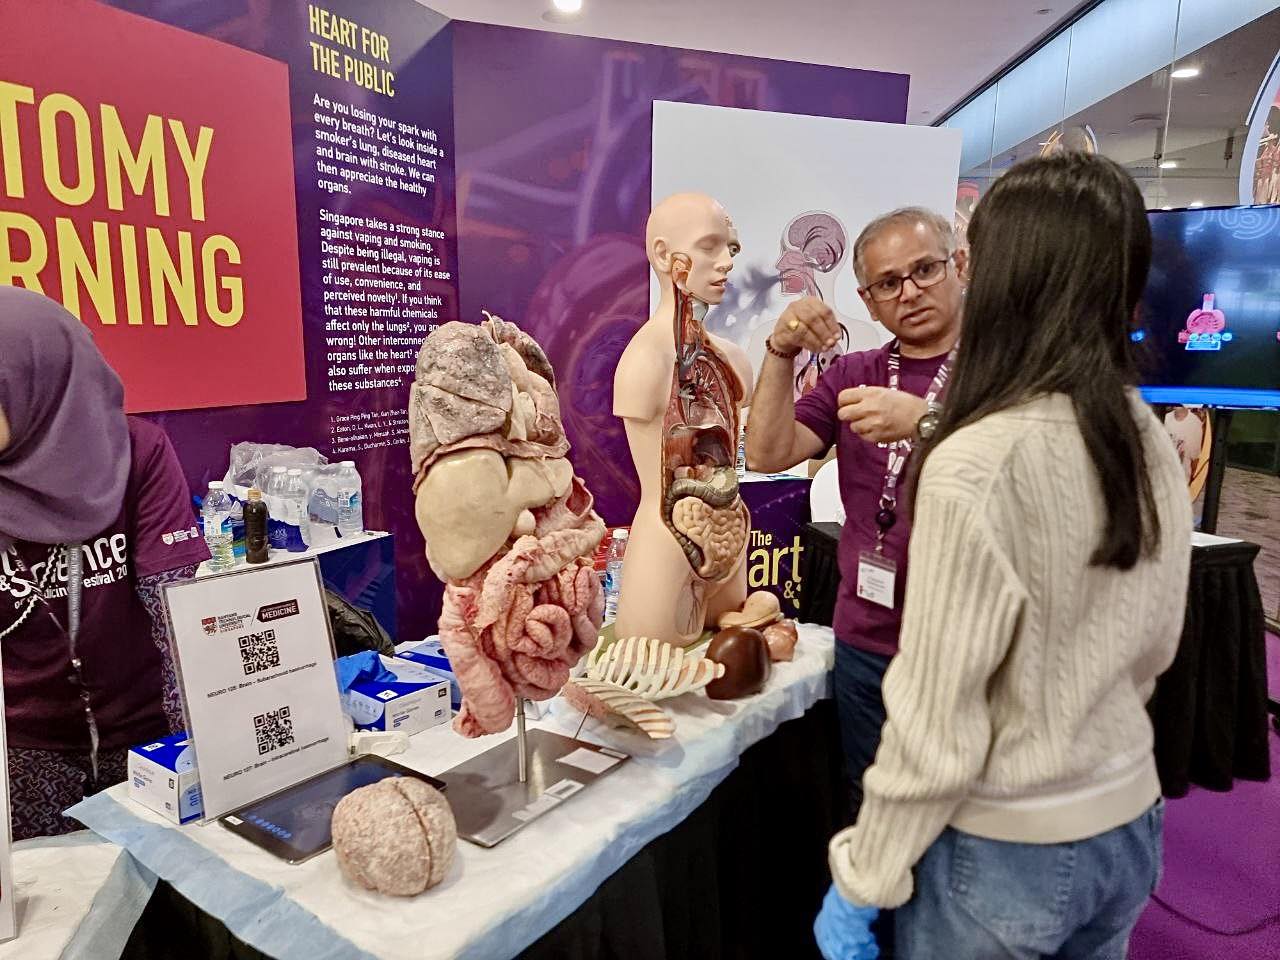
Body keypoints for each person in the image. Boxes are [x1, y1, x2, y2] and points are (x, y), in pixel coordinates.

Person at [815, 153, 1192, 959]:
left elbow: (935, 723)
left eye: (954, 262)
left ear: (999, 272)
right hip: (1127, 821)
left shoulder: (975, 460)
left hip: (1006, 850)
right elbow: (1156, 645)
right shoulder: (1142, 432)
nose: (931, 286)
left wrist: (864, 878)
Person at [745, 206, 967, 818]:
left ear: (960, 266)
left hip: (967, 646)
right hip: (868, 637)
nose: (911, 292)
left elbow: (1035, 461)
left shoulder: (1004, 370)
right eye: (889, 283)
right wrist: (780, 350)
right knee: (871, 808)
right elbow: (767, 453)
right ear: (868, 302)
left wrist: (925, 423)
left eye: (925, 270)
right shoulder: (854, 374)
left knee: (964, 818)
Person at [0, 287, 209, 840]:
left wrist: (195, 744)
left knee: (174, 882)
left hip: (145, 725)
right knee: (57, 904)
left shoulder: (136, 452)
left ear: (34, 385)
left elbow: (175, 608)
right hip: (25, 743)